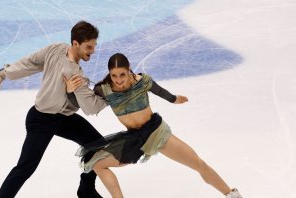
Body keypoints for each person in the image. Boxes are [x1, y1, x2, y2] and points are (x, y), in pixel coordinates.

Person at [66, 53, 243, 198]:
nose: (118, 79)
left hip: (157, 132)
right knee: (97, 163)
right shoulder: (104, 89)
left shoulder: (142, 81)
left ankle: (231, 194)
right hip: (135, 139)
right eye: (114, 75)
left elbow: (159, 91)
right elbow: (82, 103)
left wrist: (174, 99)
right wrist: (70, 91)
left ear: (128, 71)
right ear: (109, 74)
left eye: (122, 74)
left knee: (198, 163)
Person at [0, 21, 109, 198]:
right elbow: (90, 108)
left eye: (94, 46)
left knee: (97, 145)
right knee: (26, 167)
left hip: (61, 117)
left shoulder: (58, 49)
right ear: (75, 43)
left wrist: (70, 93)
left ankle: (86, 190)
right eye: (89, 47)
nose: (92, 51)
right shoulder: (67, 64)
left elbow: (30, 63)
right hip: (42, 119)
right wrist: (112, 95)